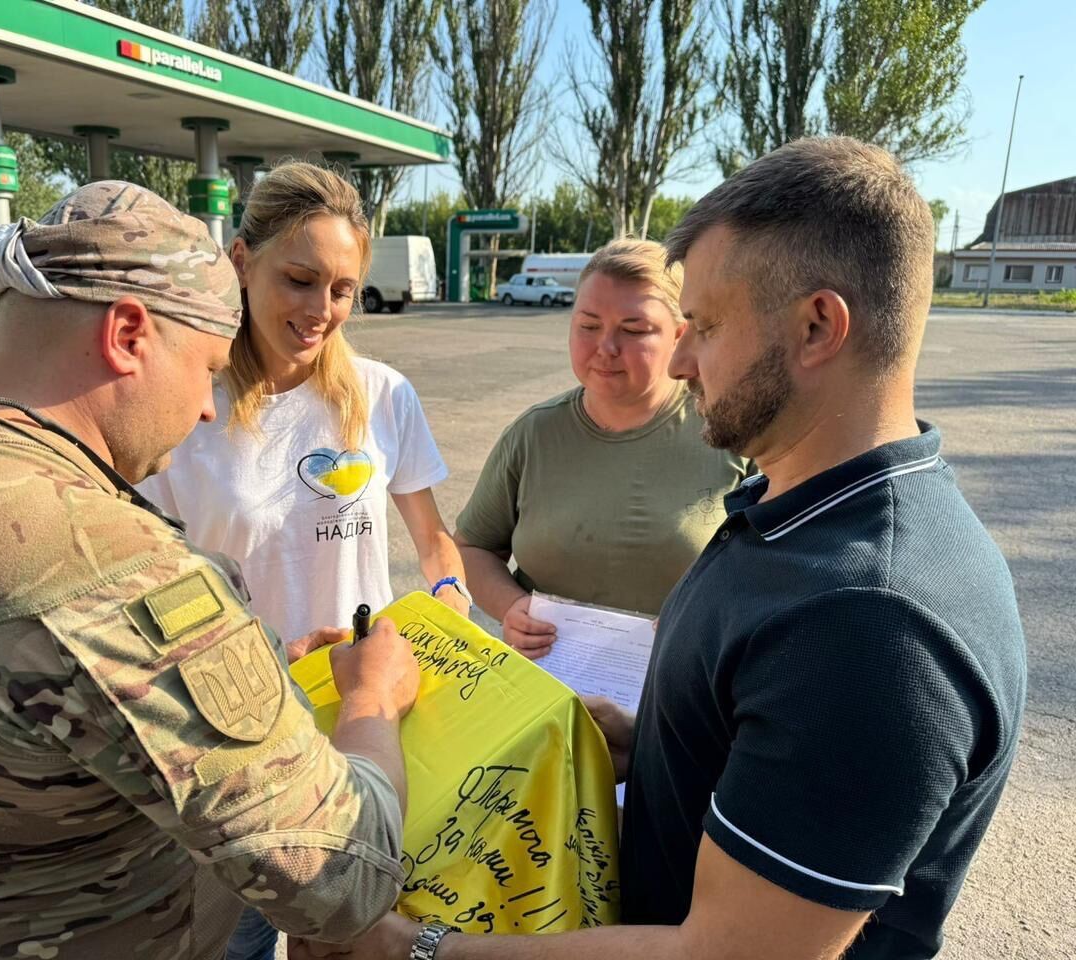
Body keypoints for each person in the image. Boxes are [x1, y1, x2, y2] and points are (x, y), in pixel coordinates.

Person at [290, 138, 1027, 960]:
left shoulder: (869, 623)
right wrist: (650, 740)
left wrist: (417, 951)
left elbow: (725, 953)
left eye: (703, 326)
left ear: (818, 326)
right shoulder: (796, 511)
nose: (678, 358)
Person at [0, 181, 421, 960]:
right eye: (206, 367)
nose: (209, 408)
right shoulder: (99, 563)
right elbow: (344, 872)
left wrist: (243, 675)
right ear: (126, 335)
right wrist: (372, 700)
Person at [139, 161, 469, 960]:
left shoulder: (383, 395)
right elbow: (148, 590)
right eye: (300, 278)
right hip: (237, 742)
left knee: (354, 941)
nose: (322, 310)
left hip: (364, 726)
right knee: (235, 943)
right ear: (241, 262)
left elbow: (434, 543)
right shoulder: (188, 406)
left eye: (344, 288)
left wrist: (449, 596)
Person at [455, 238, 746, 658]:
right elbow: (472, 548)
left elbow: (781, 573)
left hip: (680, 699)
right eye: (588, 326)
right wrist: (512, 606)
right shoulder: (534, 434)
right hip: (545, 695)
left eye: (633, 330)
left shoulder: (731, 433)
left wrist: (709, 618)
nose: (606, 348)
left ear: (680, 335)